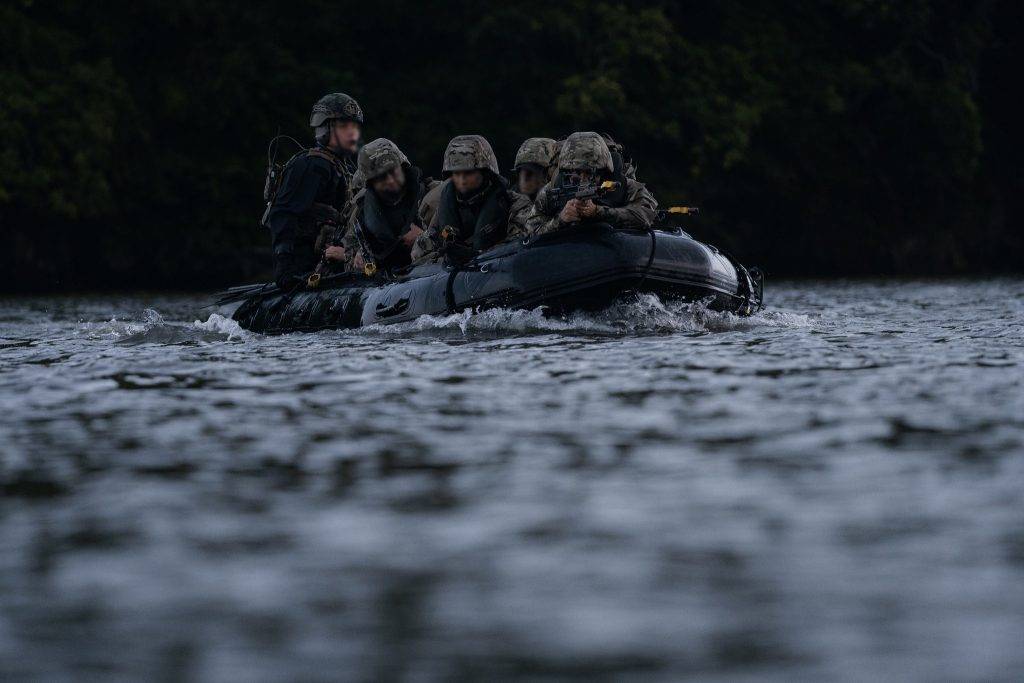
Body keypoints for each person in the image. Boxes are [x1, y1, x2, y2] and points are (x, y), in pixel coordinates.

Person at [265, 92, 362, 290]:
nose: (352, 133)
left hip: (334, 260)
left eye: (354, 126)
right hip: (306, 267)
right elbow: (283, 214)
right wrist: (287, 269)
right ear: (326, 128)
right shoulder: (312, 166)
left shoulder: (345, 169)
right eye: (344, 126)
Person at [528, 131, 657, 236]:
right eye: (577, 173)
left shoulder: (626, 186)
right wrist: (561, 219)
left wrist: (598, 212)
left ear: (603, 171)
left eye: (590, 173)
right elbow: (530, 231)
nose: (583, 179)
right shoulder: (552, 191)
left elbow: (646, 216)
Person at [337, 138, 435, 274]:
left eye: (393, 171)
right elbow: (350, 258)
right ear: (370, 182)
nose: (390, 180)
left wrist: (425, 238)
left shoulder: (432, 196)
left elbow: (461, 241)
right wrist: (358, 258)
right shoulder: (361, 215)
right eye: (381, 176)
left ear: (402, 166)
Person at [410, 135, 511, 265]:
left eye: (468, 173)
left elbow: (521, 244)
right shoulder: (447, 205)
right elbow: (421, 251)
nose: (462, 180)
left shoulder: (511, 202)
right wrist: (446, 257)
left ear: (485, 172)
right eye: (456, 174)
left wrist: (477, 255)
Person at [506, 137, 560, 240]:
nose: (524, 178)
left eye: (531, 172)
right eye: (520, 171)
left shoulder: (561, 202)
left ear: (550, 173)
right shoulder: (508, 204)